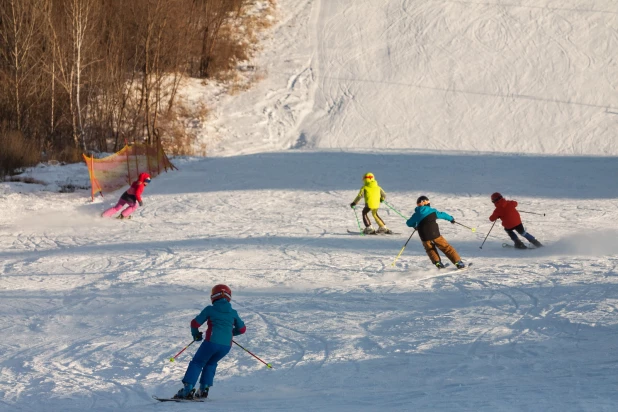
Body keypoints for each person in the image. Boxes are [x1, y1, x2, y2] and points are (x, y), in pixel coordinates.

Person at [174, 284, 246, 400]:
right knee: (211, 363)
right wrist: (229, 333)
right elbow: (242, 329)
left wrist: (196, 335)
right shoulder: (233, 312)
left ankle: (187, 389)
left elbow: (195, 324)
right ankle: (204, 389)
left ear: (213, 296)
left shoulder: (210, 309)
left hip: (211, 343)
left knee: (197, 362)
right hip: (226, 346)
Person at [406, 195, 466, 269]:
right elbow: (443, 215)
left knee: (430, 249)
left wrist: (414, 225)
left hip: (424, 236)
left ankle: (438, 263)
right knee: (446, 247)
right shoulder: (432, 211)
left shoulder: (416, 214)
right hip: (435, 234)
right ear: (427, 203)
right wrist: (451, 219)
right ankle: (458, 262)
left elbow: (408, 223)